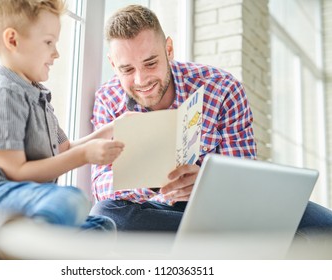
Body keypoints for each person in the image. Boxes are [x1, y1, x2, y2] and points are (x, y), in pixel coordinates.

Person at [90, 4, 332, 238]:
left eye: (150, 63)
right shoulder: (108, 99)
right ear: (113, 64)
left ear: (169, 50)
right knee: (107, 216)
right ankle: (231, 241)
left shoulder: (222, 88)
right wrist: (150, 181)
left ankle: (219, 240)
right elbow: (101, 185)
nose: (141, 79)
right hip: (159, 211)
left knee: (325, 226)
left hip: (224, 209)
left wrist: (205, 183)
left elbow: (243, 177)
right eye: (127, 70)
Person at [0, 0, 124, 252]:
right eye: (49, 42)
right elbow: (16, 171)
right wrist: (84, 155)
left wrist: (115, 127)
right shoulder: (1, 94)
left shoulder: (37, 95)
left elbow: (64, 148)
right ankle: (28, 245)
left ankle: (31, 242)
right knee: (70, 198)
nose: (56, 53)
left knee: (102, 226)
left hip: (18, 206)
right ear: (13, 40)